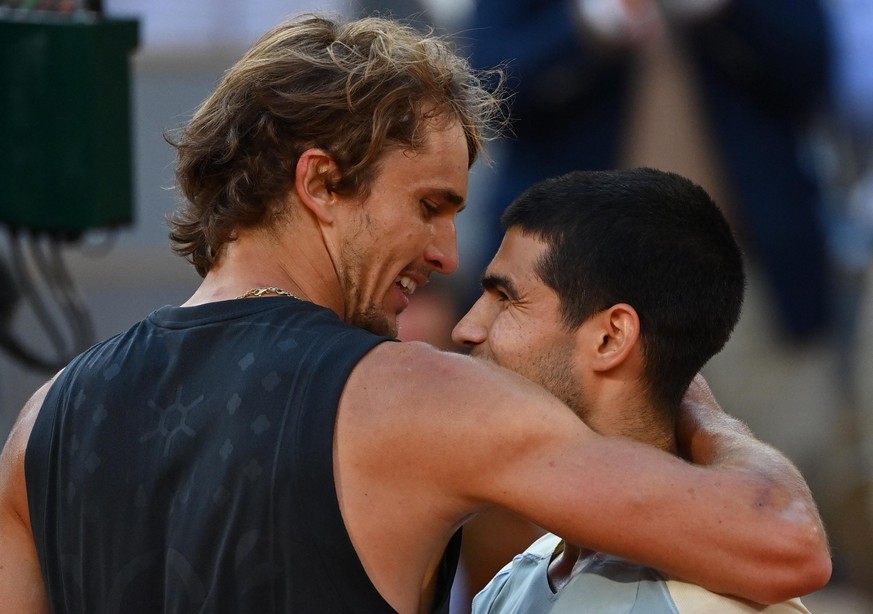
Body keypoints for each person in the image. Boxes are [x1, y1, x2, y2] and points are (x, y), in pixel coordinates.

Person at [0, 14, 830, 614]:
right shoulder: (410, 398)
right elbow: (782, 542)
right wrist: (688, 396)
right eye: (429, 205)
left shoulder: (43, 421)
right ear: (320, 184)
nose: (444, 253)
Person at [452, 168, 811, 613]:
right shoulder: (516, 578)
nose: (465, 329)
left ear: (611, 337)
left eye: (505, 299)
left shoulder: (704, 604)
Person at [467, 0, 833, 342]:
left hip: (753, 278)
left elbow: (813, 72)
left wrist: (730, 10)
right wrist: (590, 24)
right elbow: (490, 89)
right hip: (570, 284)